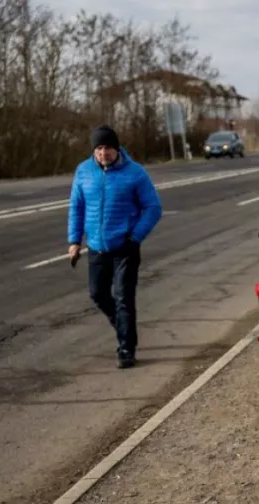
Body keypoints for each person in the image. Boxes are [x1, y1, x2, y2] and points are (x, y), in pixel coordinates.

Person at [67, 125, 162, 369]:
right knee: (97, 293)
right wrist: (74, 241)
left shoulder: (135, 173)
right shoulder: (84, 172)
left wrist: (135, 237)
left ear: (117, 148)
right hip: (97, 247)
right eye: (98, 148)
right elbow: (76, 207)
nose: (103, 153)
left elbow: (153, 207)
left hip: (125, 247)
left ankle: (126, 349)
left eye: (108, 147)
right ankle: (121, 326)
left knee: (123, 298)